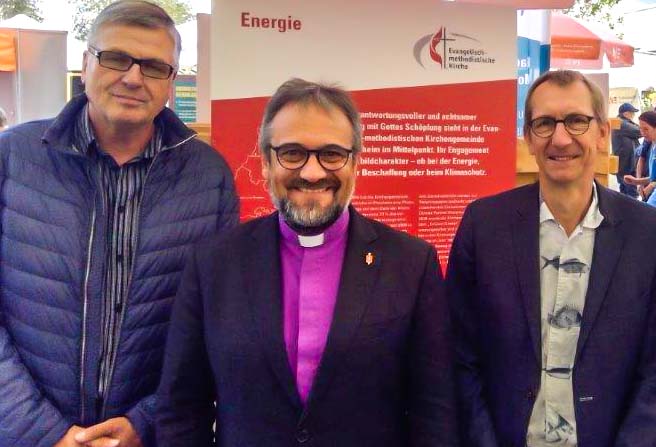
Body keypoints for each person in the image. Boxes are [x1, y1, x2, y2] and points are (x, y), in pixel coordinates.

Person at [156, 78, 458, 446]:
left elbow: (434, 411)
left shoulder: (410, 264)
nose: (312, 173)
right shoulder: (214, 264)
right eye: (292, 153)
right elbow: (182, 407)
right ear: (266, 162)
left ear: (355, 163)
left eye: (331, 154)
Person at [0, 1, 239, 446]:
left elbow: (216, 321)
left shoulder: (209, 178)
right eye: (115, 58)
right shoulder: (12, 158)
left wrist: (146, 422)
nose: (133, 77)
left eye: (154, 66)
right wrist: (43, 432)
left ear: (171, 80)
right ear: (86, 63)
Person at [446, 70, 656, 447]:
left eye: (577, 120)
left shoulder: (651, 234)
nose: (561, 138)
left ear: (602, 133)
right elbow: (459, 354)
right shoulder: (483, 225)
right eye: (545, 123)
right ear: (529, 138)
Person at [624, 111, 656, 200]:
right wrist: (636, 181)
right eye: (640, 129)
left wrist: (652, 185)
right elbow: (655, 176)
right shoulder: (653, 143)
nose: (642, 133)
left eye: (646, 129)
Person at [611, 102, 640, 198]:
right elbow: (640, 131)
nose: (633, 115)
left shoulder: (622, 122)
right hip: (626, 164)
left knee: (624, 191)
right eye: (632, 113)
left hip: (624, 163)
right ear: (626, 113)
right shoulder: (621, 123)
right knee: (631, 192)